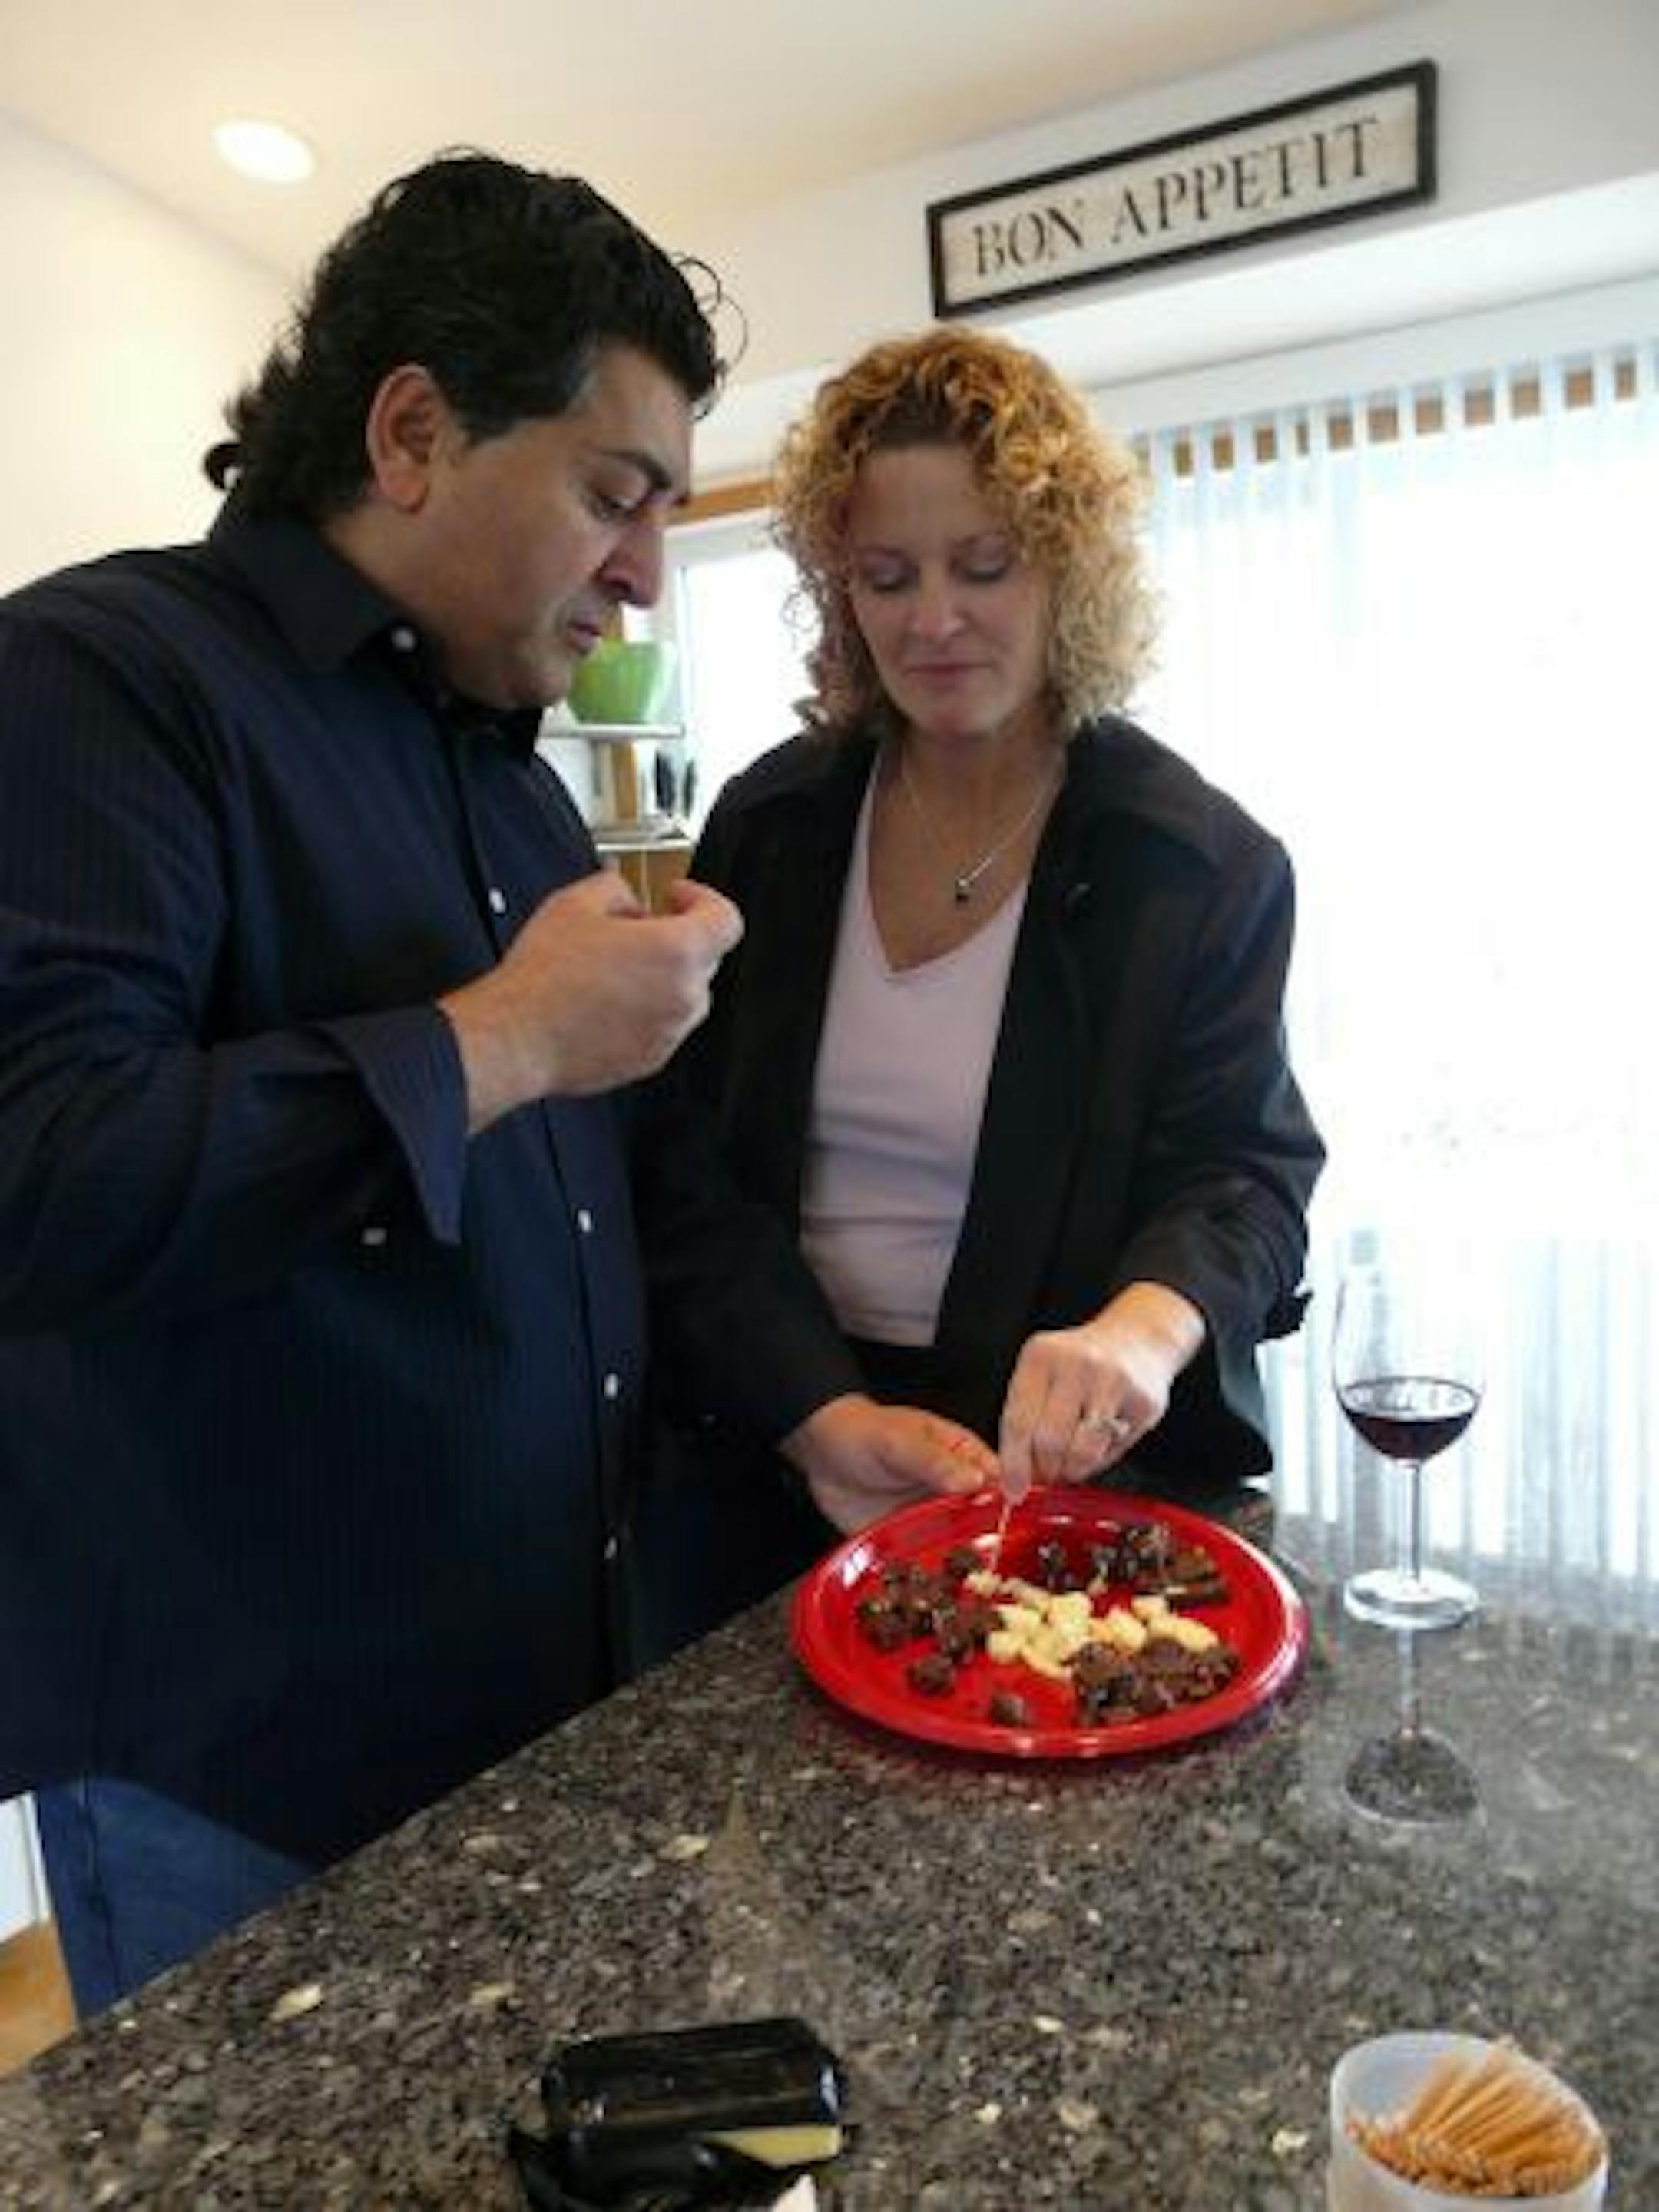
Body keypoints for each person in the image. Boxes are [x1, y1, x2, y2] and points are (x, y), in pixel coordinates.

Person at [0, 155, 995, 2018]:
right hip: (248, 1783)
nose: (642, 568)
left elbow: (650, 1180)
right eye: (615, 495)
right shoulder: (97, 683)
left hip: (566, 1729)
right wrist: (501, 1039)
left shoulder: (521, 784)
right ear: (410, 433)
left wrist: (810, 1418)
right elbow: (38, 1182)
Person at [639, 323, 1323, 1651]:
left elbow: (1246, 1175)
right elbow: (686, 1169)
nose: (933, 619)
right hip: (781, 1433)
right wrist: (819, 1418)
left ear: (1069, 570)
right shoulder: (770, 827)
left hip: (1065, 1472)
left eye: (985, 566)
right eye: (886, 577)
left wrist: (1137, 1332)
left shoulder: (1196, 864)